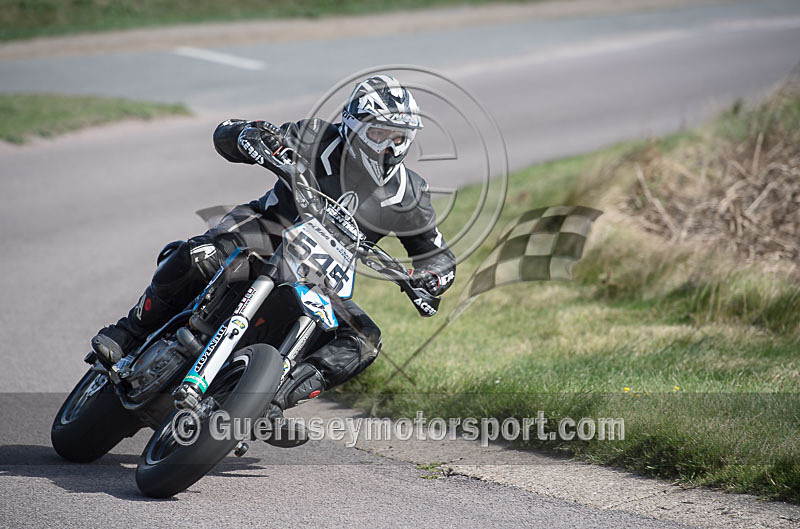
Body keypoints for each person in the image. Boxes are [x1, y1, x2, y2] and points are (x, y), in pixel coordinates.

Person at [90, 75, 456, 445]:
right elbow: (230, 137)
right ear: (352, 125)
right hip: (263, 234)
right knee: (200, 255)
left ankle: (269, 404)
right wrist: (252, 136)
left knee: (364, 340)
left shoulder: (410, 193)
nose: (390, 147)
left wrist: (432, 275)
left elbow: (436, 252)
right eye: (379, 134)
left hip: (319, 277)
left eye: (399, 137)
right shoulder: (315, 138)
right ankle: (128, 331)